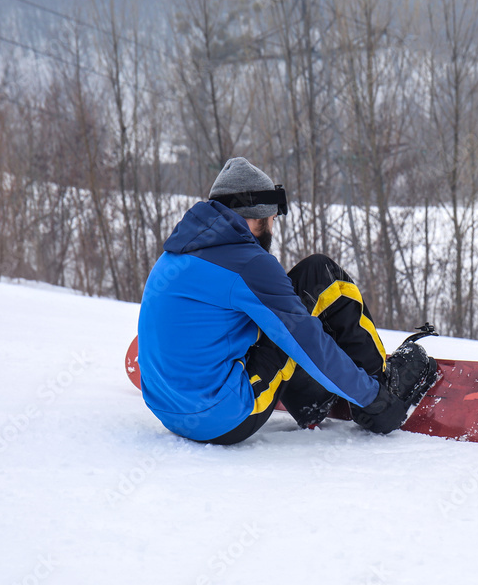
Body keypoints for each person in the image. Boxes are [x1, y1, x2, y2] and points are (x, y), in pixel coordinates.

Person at [137, 157, 437, 444]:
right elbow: (305, 341)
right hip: (223, 419)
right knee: (322, 276)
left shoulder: (175, 254)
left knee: (276, 312)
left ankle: (311, 398)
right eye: (272, 218)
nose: (272, 226)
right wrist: (372, 397)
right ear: (257, 216)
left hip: (167, 409)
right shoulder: (249, 264)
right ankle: (381, 396)